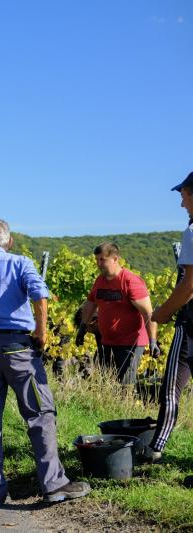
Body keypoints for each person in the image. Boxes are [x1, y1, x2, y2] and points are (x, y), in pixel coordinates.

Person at [0, 219, 89, 506]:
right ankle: (53, 483)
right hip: (19, 349)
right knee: (39, 414)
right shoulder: (21, 264)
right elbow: (39, 295)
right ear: (8, 241)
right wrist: (42, 330)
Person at [150, 172, 193, 461]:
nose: (182, 204)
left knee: (171, 389)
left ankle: (155, 448)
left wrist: (162, 313)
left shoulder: (192, 231)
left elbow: (189, 285)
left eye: (184, 196)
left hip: (191, 325)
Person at [76, 243, 159, 385]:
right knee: (105, 382)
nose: (98, 264)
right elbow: (90, 304)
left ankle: (126, 407)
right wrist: (82, 327)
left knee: (124, 384)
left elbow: (148, 313)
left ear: (115, 259)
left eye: (102, 260)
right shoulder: (100, 281)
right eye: (97, 260)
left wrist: (152, 340)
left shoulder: (130, 281)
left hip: (130, 343)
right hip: (107, 341)